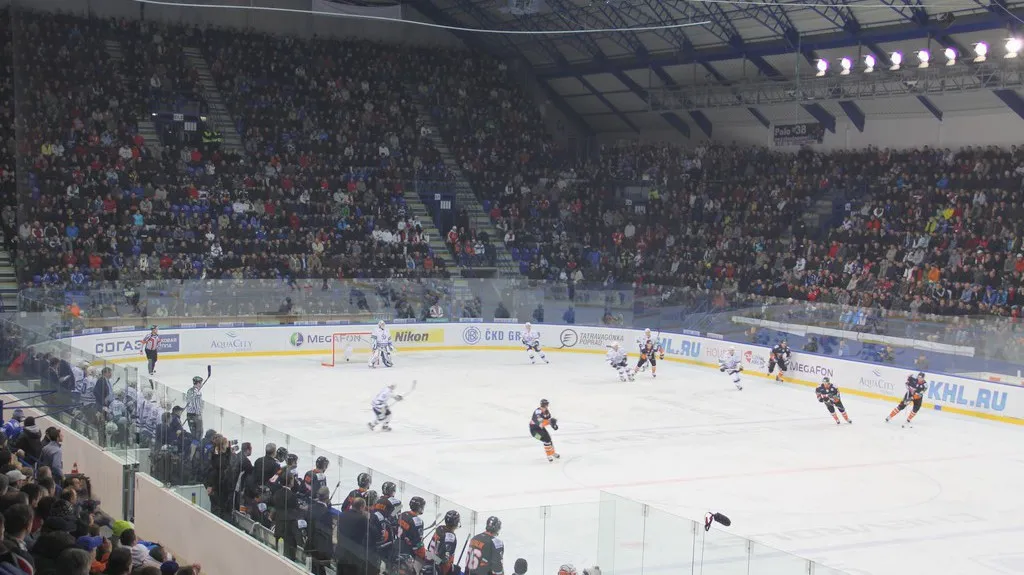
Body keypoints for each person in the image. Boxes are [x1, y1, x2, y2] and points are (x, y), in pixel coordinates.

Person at [204, 435, 239, 521]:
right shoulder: (219, 460)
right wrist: (210, 486)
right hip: (219, 488)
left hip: (221, 488)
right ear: (222, 446)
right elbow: (214, 472)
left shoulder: (216, 454)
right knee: (220, 510)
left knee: (219, 509)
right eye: (226, 444)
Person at [271, 471, 301, 561]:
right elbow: (296, 509)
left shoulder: (277, 493)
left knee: (279, 551)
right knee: (290, 554)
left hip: (279, 525)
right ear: (290, 481)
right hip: (289, 529)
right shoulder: (292, 496)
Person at [335, 497, 369, 575]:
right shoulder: (362, 518)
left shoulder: (342, 515)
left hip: (341, 552)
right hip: (353, 556)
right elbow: (365, 536)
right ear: (361, 507)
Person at [422, 510, 459, 575]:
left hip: (428, 562)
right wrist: (451, 568)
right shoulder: (450, 537)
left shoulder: (440, 528)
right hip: (437, 568)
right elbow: (444, 559)